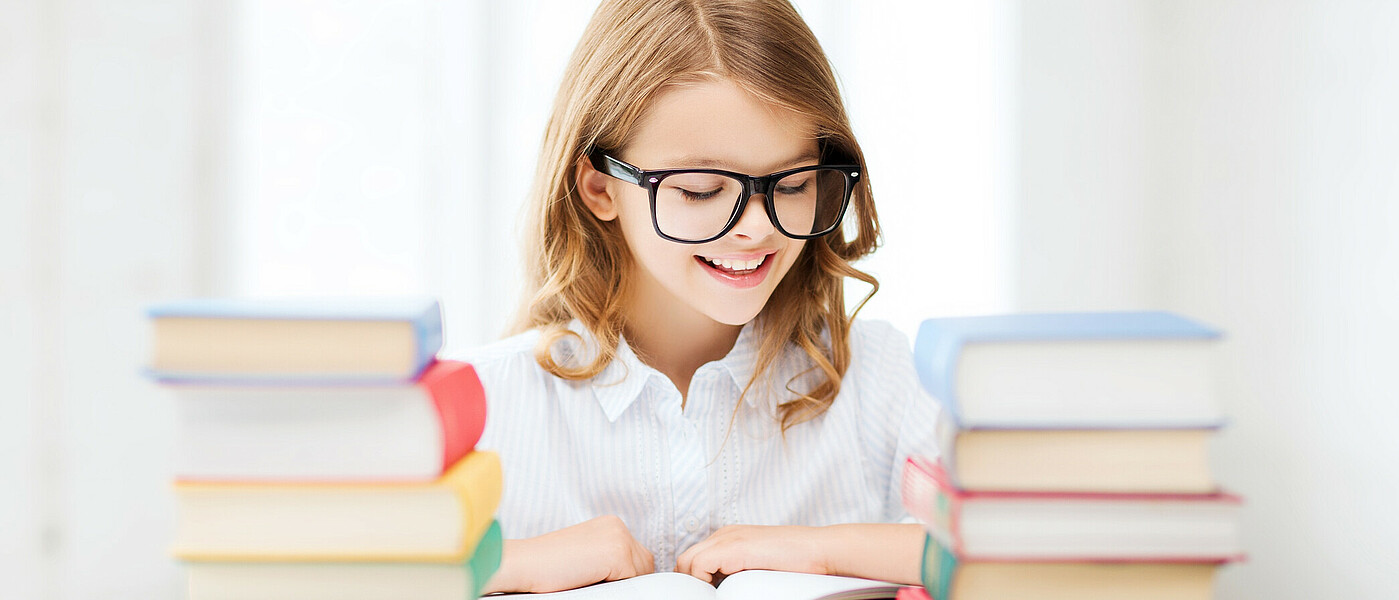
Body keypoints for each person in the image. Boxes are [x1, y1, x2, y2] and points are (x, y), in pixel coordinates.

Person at [458, 0, 940, 593]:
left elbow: (1017, 556)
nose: (757, 228)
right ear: (599, 187)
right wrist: (505, 566)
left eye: (792, 184)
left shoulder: (882, 379)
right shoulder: (485, 406)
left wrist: (821, 552)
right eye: (702, 190)